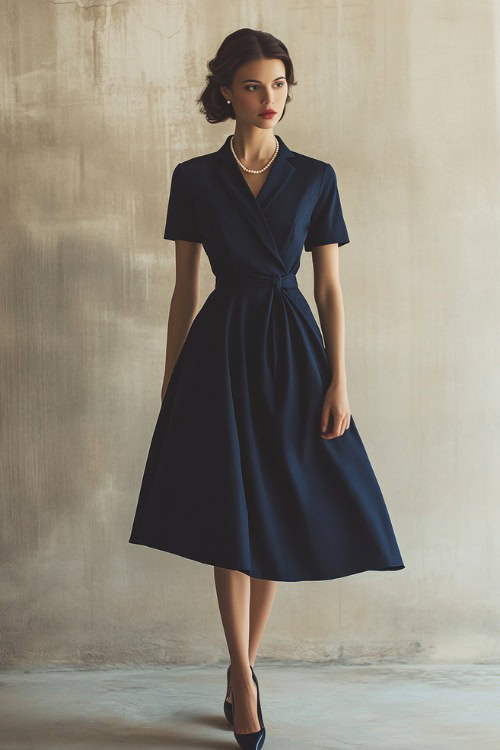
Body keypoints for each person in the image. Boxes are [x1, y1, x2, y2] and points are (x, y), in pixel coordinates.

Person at [128, 28, 405, 749]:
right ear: (226, 91)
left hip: (292, 349)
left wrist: (340, 381)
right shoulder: (193, 177)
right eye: (253, 85)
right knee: (230, 512)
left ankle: (239, 668)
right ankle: (244, 677)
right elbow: (184, 291)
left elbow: (332, 291)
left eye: (279, 84)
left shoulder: (315, 177)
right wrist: (170, 382)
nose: (269, 98)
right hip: (218, 351)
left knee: (277, 505)